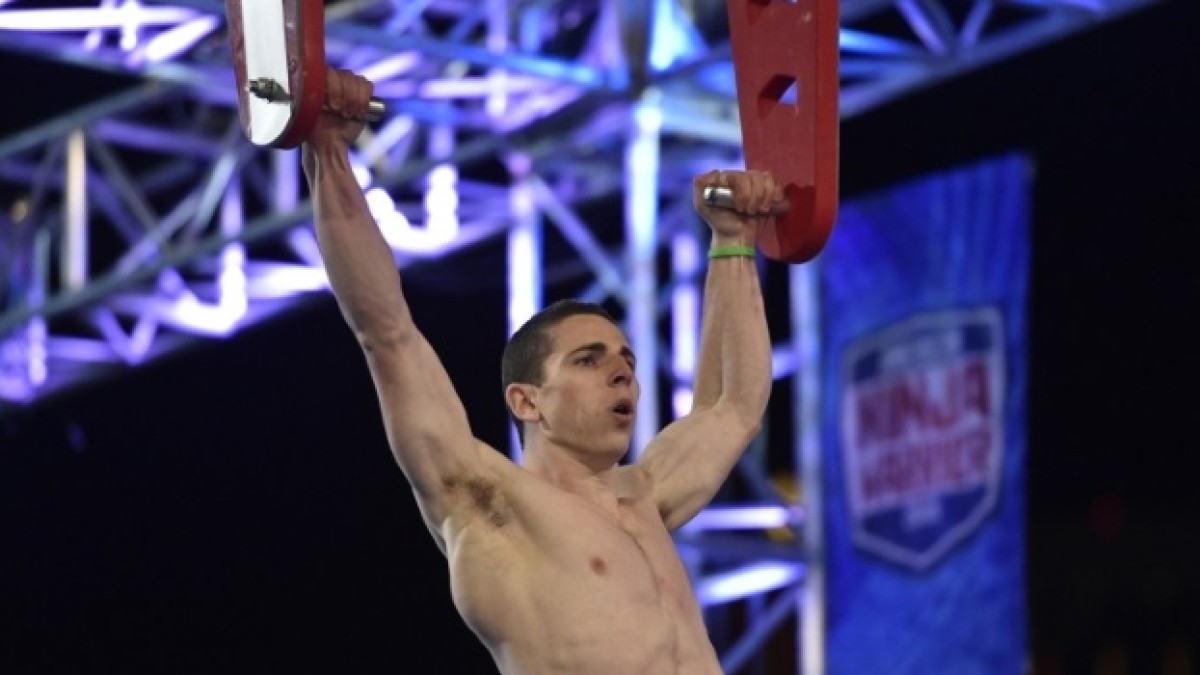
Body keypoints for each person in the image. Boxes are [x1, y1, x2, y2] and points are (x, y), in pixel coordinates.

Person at [303, 68, 780, 674]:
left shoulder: (646, 497)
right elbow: (385, 332)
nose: (622, 373)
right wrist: (327, 151)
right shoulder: (488, 503)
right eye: (589, 359)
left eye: (627, 361)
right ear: (527, 401)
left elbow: (733, 406)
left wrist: (733, 241)